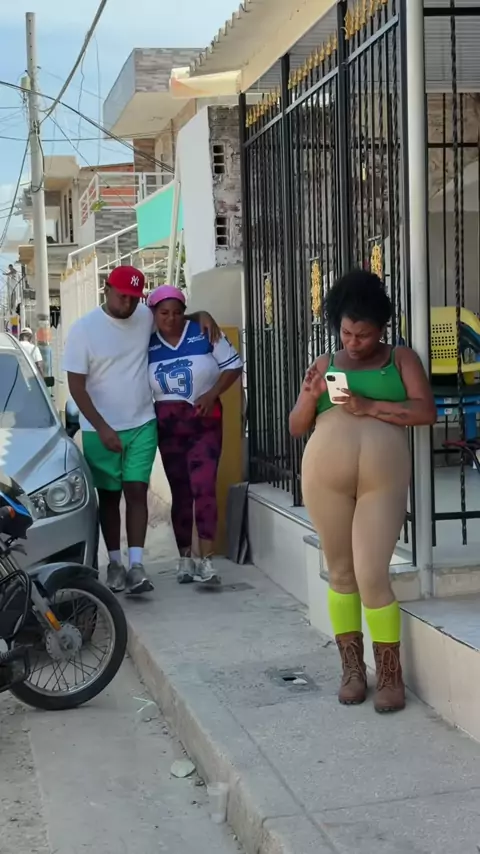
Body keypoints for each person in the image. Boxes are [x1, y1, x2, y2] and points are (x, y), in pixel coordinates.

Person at [289, 270, 436, 714]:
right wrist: (308, 395)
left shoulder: (401, 359)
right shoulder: (323, 364)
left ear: (382, 329)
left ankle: (390, 674)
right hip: (325, 480)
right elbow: (296, 427)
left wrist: (369, 406)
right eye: (347, 333)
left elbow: (425, 412)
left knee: (372, 574)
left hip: (381, 480)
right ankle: (352, 671)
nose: (353, 343)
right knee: (341, 573)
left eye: (364, 334)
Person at [62, 266, 219, 596]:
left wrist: (201, 314)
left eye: (135, 298)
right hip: (99, 429)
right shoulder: (83, 330)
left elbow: (173, 316)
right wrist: (102, 427)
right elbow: (76, 386)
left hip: (142, 423)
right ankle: (114, 563)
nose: (128, 304)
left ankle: (136, 566)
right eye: (123, 296)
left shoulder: (145, 317)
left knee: (136, 492)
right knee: (109, 497)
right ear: (106, 289)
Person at [147, 285, 243, 585]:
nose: (171, 319)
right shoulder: (146, 342)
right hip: (169, 427)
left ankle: (207, 560)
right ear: (153, 314)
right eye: (164, 313)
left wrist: (213, 393)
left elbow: (234, 365)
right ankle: (185, 558)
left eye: (177, 312)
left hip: (204, 422)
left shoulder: (203, 332)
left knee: (204, 487)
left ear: (184, 312)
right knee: (180, 492)